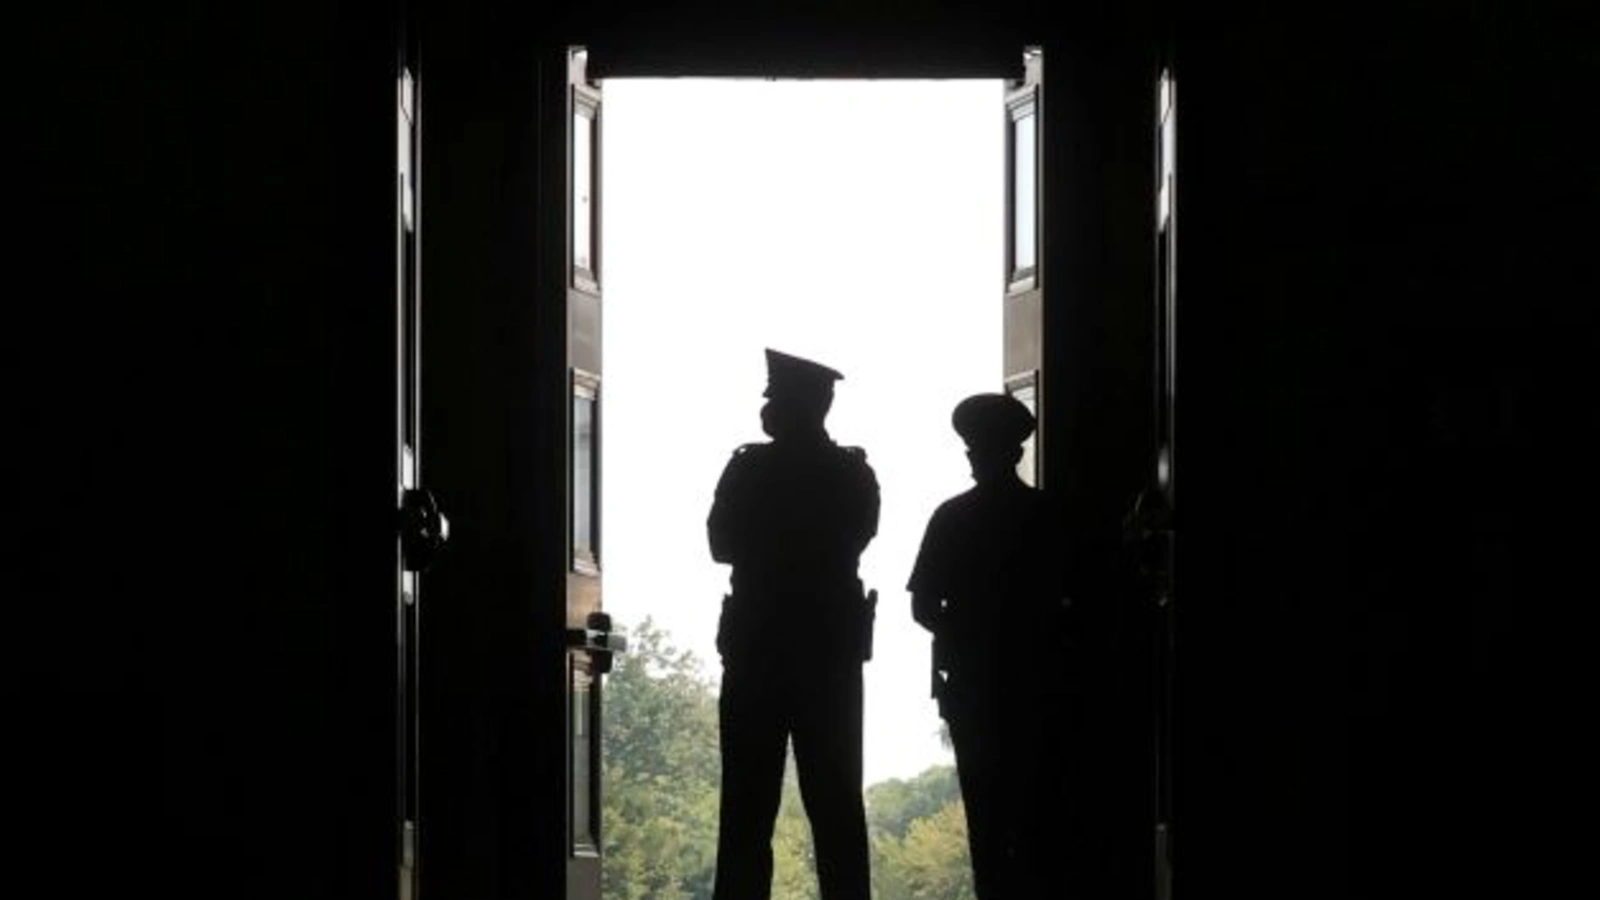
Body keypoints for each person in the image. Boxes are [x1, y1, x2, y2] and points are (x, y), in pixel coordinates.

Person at [707, 349, 880, 900]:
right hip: (829, 652)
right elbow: (857, 536)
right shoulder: (852, 472)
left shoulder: (748, 467)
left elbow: (720, 544)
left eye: (774, 398)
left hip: (757, 645)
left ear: (800, 405)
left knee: (745, 809)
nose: (766, 407)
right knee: (836, 805)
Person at [907, 392, 1069, 900]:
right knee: (1041, 818)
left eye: (976, 451)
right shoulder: (1050, 516)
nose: (972, 460)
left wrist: (968, 635)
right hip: (1042, 685)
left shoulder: (951, 518)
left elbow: (924, 606)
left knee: (988, 819)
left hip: (974, 688)